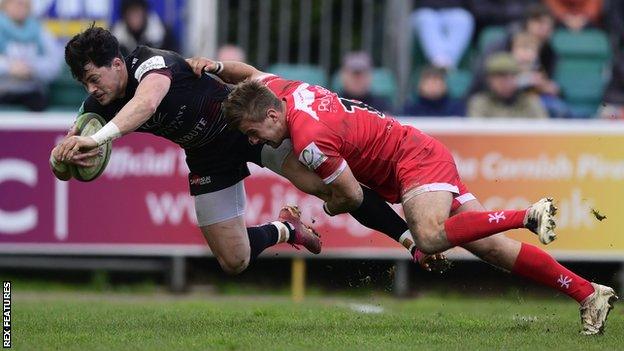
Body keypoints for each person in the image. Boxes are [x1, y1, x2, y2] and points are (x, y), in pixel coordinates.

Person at [209, 58, 617, 335]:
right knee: (492, 250)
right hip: (411, 152)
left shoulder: (310, 139)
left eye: (253, 132)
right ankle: (588, 293)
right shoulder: (279, 89)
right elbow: (249, 73)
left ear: (273, 116)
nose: (253, 141)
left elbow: (351, 196)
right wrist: (214, 67)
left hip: (412, 160)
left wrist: (329, 204)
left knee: (430, 236)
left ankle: (527, 214)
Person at [50, 26, 446, 277]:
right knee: (234, 261)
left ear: (117, 63)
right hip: (206, 156)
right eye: (84, 82)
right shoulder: (98, 101)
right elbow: (70, 156)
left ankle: (410, 239)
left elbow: (148, 105)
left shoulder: (151, 64)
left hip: (245, 130)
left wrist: (100, 140)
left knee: (331, 187)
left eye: (93, 78)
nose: (91, 89)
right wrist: (62, 158)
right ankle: (288, 229)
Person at [0, 0, 62, 111]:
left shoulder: (40, 30)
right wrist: (9, 68)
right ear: (5, 6)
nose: (21, 7)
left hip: (32, 92)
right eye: (17, 3)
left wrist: (32, 68)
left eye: (25, 5)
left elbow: (54, 65)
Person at [467, 53, 548, 118]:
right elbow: (477, 134)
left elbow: (543, 132)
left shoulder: (530, 103)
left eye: (513, 76)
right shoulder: (480, 103)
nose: (508, 82)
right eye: (501, 77)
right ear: (490, 80)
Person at [410, 0, 474, 69]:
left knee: (463, 18)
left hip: (453, 10)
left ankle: (444, 64)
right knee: (426, 18)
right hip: (423, 10)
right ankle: (440, 63)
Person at [111, 0, 178, 56]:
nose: (135, 18)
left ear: (145, 13)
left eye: (137, 13)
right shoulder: (114, 40)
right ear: (124, 16)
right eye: (131, 14)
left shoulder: (164, 36)